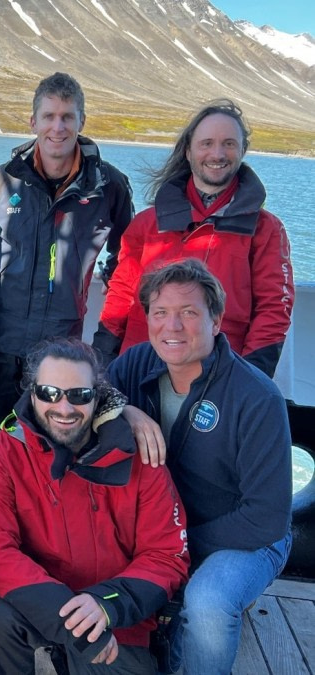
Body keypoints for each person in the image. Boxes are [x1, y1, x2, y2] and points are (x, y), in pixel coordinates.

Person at [106, 258, 293, 674]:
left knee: (208, 601)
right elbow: (90, 395)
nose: (172, 327)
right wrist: (126, 411)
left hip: (246, 537)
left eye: (188, 313)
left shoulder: (256, 398)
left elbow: (268, 518)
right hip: (163, 529)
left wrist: (176, 546)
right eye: (160, 313)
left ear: (216, 320)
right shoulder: (135, 366)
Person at [0, 338, 189, 674]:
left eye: (79, 395)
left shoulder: (141, 456)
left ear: (97, 396)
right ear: (32, 392)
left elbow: (167, 555)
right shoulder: (4, 451)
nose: (64, 408)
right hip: (34, 602)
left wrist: (108, 604)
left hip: (113, 617)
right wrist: (67, 615)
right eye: (49, 393)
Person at [0, 71, 134, 451]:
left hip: (62, 353)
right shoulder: (3, 181)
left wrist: (106, 345)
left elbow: (128, 261)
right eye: (49, 117)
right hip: (0, 349)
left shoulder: (108, 186)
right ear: (33, 122)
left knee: (50, 457)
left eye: (67, 117)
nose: (57, 127)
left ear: (81, 122)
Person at [93, 99, 294, 378]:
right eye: (207, 143)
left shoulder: (266, 230)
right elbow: (121, 297)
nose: (217, 153)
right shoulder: (146, 224)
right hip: (140, 371)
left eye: (229, 144)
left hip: (220, 376)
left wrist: (249, 379)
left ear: (243, 150)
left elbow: (273, 311)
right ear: (188, 151)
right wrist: (102, 366)